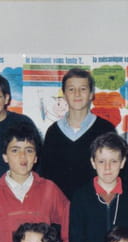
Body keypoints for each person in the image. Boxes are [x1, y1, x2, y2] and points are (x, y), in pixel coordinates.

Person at [39, 68, 116, 199]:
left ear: (91, 94)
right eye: (71, 89)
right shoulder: (53, 131)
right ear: (64, 95)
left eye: (83, 89)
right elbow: (46, 175)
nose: (77, 94)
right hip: (60, 206)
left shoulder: (105, 129)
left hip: (95, 204)